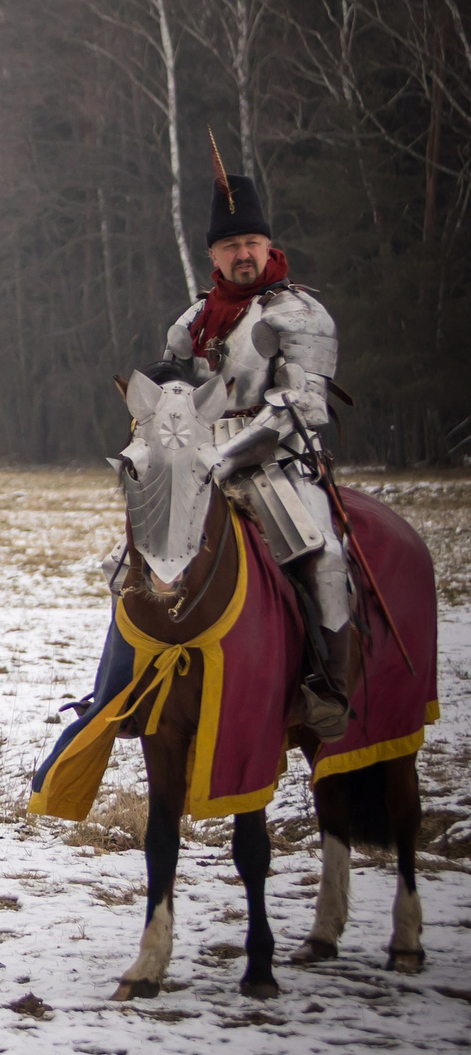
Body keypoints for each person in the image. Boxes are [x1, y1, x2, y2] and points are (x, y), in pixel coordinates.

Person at [163, 166, 351, 734]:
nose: (243, 254)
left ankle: (330, 693)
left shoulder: (297, 313)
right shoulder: (189, 324)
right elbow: (173, 400)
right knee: (134, 560)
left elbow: (303, 404)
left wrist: (227, 455)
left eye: (251, 242)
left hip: (280, 462)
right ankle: (129, 686)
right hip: (197, 464)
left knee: (326, 557)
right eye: (230, 245)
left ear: (268, 245)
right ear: (213, 255)